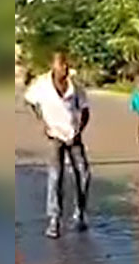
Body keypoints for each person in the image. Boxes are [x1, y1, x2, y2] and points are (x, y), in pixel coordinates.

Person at [24, 51, 91, 239]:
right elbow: (29, 101)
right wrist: (43, 121)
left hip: (73, 135)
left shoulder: (75, 87)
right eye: (61, 65)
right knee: (55, 177)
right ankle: (54, 220)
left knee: (83, 174)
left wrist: (79, 130)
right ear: (53, 65)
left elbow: (85, 110)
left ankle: (80, 213)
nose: (65, 69)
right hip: (54, 135)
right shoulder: (42, 85)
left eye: (67, 65)